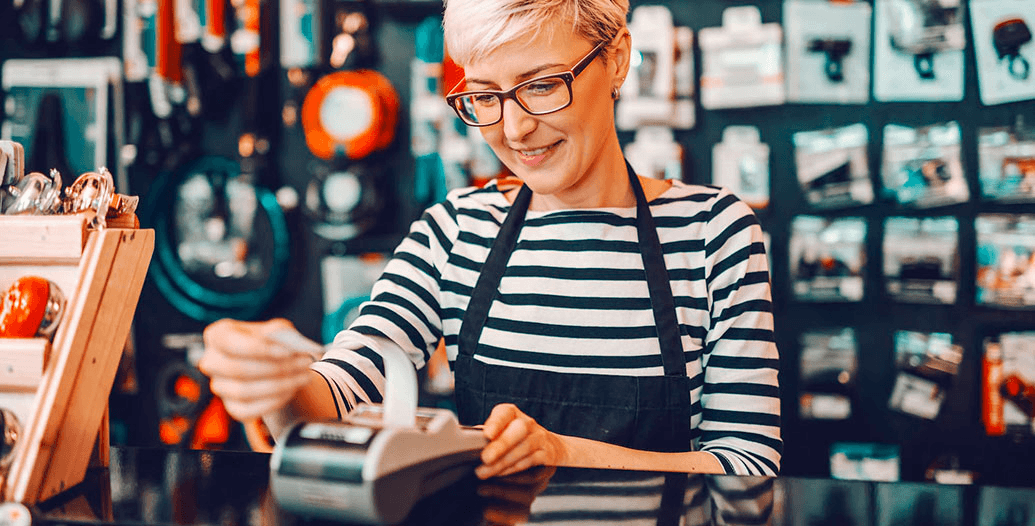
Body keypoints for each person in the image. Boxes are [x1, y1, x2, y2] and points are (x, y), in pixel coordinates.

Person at [199, 0, 781, 479]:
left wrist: (559, 452)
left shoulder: (712, 233)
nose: (514, 126)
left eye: (542, 86)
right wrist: (277, 385)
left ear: (619, 59)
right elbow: (342, 389)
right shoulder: (455, 231)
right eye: (484, 95)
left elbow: (748, 468)